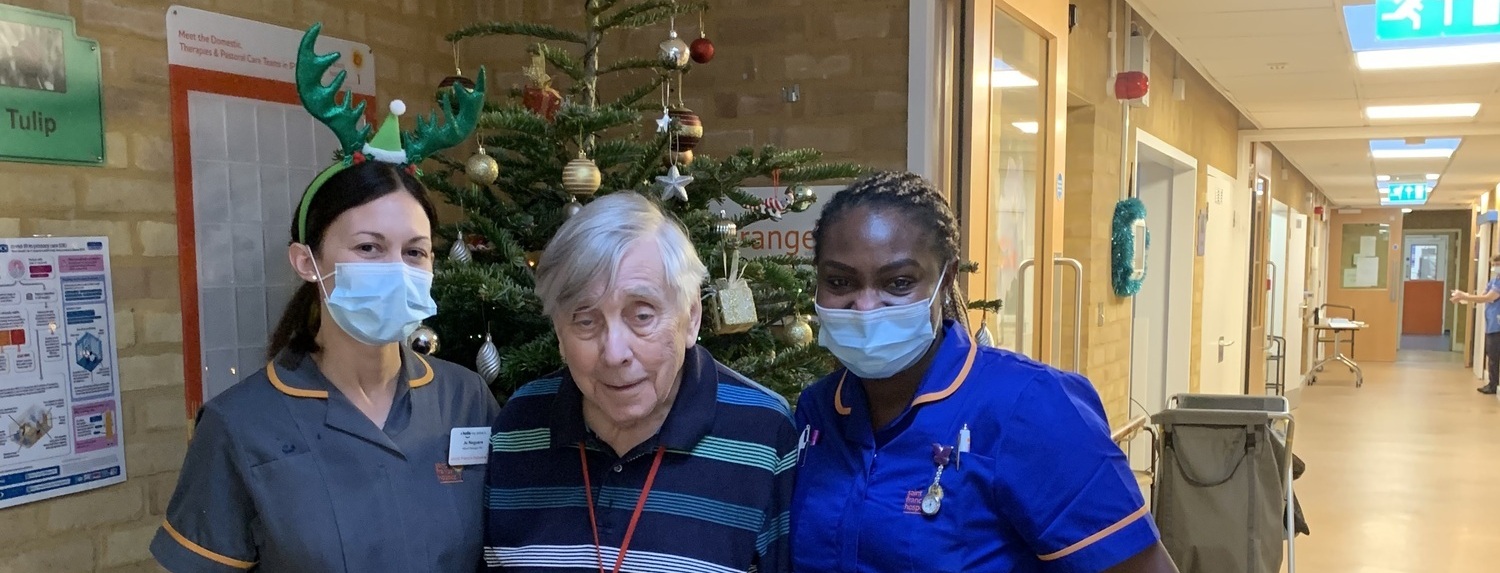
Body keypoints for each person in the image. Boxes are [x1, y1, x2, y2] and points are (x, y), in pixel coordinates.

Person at [150, 24, 498, 572]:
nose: (395, 270)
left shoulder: (466, 401)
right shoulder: (240, 426)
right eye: (368, 247)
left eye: (415, 252)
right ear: (305, 261)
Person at [791, 171, 1179, 572]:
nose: (866, 306)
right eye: (840, 281)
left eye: (899, 282)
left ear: (946, 280)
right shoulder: (817, 413)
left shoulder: (1030, 407)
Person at [482, 192, 796, 573]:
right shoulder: (519, 425)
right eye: (585, 320)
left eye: (642, 316)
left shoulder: (762, 431)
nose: (615, 353)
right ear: (559, 335)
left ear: (691, 318)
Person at [1451, 254, 1500, 394]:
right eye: (1494, 264)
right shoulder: (1494, 280)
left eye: (1498, 264)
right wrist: (1463, 296)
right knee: (1491, 354)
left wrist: (1465, 296)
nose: (1495, 267)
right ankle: (1492, 383)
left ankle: (1493, 385)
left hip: (1497, 324)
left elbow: (1489, 297)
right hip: (1492, 323)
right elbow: (1482, 297)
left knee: (1495, 355)